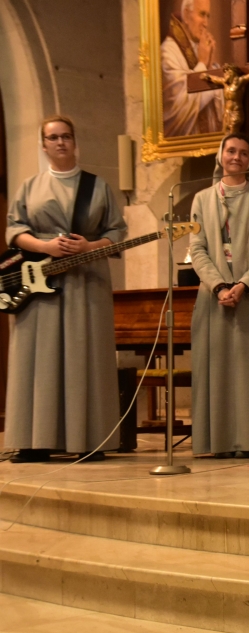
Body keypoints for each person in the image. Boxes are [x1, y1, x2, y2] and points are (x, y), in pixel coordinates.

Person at [4, 115, 127, 463]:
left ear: (74, 142)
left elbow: (117, 232)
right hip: (39, 279)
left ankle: (89, 439)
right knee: (38, 357)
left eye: (66, 136)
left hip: (86, 279)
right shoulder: (30, 186)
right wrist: (45, 247)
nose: (60, 142)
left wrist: (89, 246)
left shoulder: (98, 186)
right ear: (43, 145)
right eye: (53, 137)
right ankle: (34, 441)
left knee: (85, 353)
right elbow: (14, 231)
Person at [188, 133, 249, 458]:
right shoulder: (202, 199)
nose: (236, 157)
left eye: (244, 153)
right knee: (217, 370)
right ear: (220, 155)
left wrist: (243, 285)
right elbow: (197, 248)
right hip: (213, 295)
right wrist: (218, 285)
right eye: (231, 151)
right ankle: (218, 441)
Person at [161, 0, 223, 137]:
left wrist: (209, 66)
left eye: (208, 16)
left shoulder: (200, 48)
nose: (206, 23)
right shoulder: (168, 53)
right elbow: (178, 109)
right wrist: (202, 63)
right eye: (202, 14)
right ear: (186, 15)